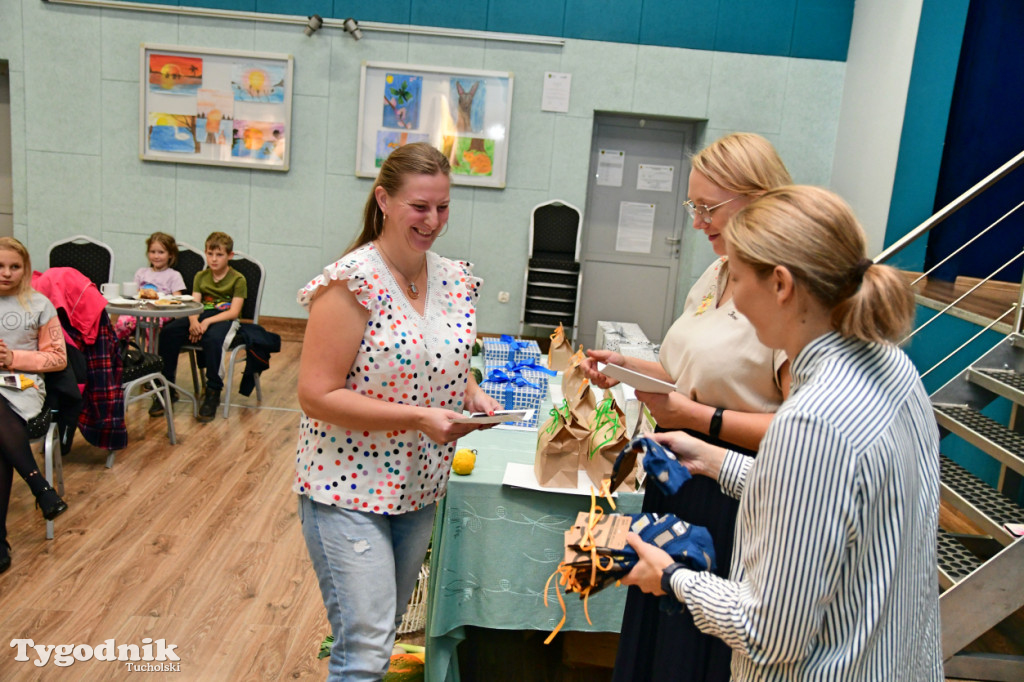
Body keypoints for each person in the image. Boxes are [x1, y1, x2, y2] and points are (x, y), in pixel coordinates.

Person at [623, 185, 942, 680]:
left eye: (738, 278)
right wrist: (713, 460)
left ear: (780, 284)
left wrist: (672, 578)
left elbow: (768, 635)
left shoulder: (811, 421)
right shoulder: (895, 367)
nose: (735, 301)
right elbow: (835, 501)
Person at [581, 133, 793, 682]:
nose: (697, 221)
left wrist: (700, 422)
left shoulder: (787, 295)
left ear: (759, 197)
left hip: (733, 484)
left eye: (708, 207)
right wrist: (628, 368)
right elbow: (689, 376)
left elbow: (803, 435)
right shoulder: (718, 272)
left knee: (698, 642)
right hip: (682, 468)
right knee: (660, 618)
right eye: (692, 206)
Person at [294, 142, 501, 681]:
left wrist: (470, 389)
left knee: (382, 637)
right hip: (347, 487)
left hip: (418, 488)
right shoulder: (351, 283)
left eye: (444, 207)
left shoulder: (454, 278)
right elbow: (316, 394)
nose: (433, 221)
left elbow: (435, 353)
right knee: (363, 648)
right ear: (384, 200)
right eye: (420, 207)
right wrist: (416, 416)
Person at [0, 237, 70, 574]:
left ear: (25, 270)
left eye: (14, 267)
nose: (6, 273)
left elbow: (58, 358)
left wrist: (13, 357)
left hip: (21, 386)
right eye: (0, 266)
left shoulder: (38, 304)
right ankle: (40, 488)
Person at [156, 231, 246, 422]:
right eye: (210, 254)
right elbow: (195, 304)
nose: (214, 259)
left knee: (212, 339)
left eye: (219, 255)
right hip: (200, 315)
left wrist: (205, 322)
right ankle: (167, 388)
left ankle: (213, 391)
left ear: (230, 256)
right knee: (168, 333)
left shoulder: (238, 279)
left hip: (223, 318)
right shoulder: (200, 276)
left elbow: (234, 312)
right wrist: (194, 322)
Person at [115, 231, 186, 343]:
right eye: (152, 252)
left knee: (150, 323)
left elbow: (178, 300)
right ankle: (117, 351)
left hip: (160, 312)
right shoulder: (141, 272)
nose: (156, 256)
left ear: (170, 254)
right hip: (139, 310)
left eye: (161, 252)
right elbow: (135, 294)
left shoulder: (174, 275)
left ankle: (151, 355)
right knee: (122, 321)